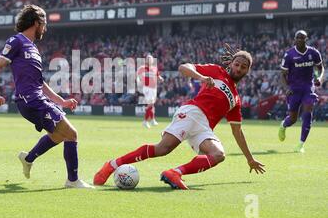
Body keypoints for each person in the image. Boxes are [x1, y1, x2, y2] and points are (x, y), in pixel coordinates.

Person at [94, 49, 265, 189]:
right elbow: (184, 67)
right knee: (163, 148)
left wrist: (250, 159)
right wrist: (201, 77)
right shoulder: (216, 71)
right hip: (193, 112)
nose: (239, 69)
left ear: (247, 71)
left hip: (204, 127)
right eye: (237, 64)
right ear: (231, 64)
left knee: (218, 154)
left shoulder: (236, 99)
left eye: (243, 67)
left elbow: (237, 131)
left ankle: (175, 173)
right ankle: (111, 165)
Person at [0, 4, 93, 189]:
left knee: (59, 135)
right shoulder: (16, 41)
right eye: (44, 23)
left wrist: (61, 101)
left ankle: (28, 158)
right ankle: (72, 180)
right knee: (71, 134)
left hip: (38, 98)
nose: (45, 27)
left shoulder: (34, 48)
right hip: (30, 100)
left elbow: (40, 82)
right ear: (36, 22)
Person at [278, 30, 324, 153]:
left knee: (307, 112)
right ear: (294, 39)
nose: (299, 40)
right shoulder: (289, 55)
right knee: (293, 119)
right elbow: (282, 75)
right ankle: (283, 125)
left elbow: (321, 68)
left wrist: (319, 78)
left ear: (306, 39)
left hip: (308, 87)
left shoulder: (314, 53)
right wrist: (286, 88)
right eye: (297, 38)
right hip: (294, 89)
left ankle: (301, 144)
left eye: (302, 38)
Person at [137, 54, 164, 128]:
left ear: (152, 60)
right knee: (150, 103)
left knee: (152, 105)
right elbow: (137, 76)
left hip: (154, 88)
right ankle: (145, 121)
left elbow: (158, 75)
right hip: (147, 88)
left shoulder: (155, 68)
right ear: (146, 60)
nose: (149, 60)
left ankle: (152, 120)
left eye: (150, 59)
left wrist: (160, 78)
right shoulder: (142, 68)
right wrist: (139, 82)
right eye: (148, 59)